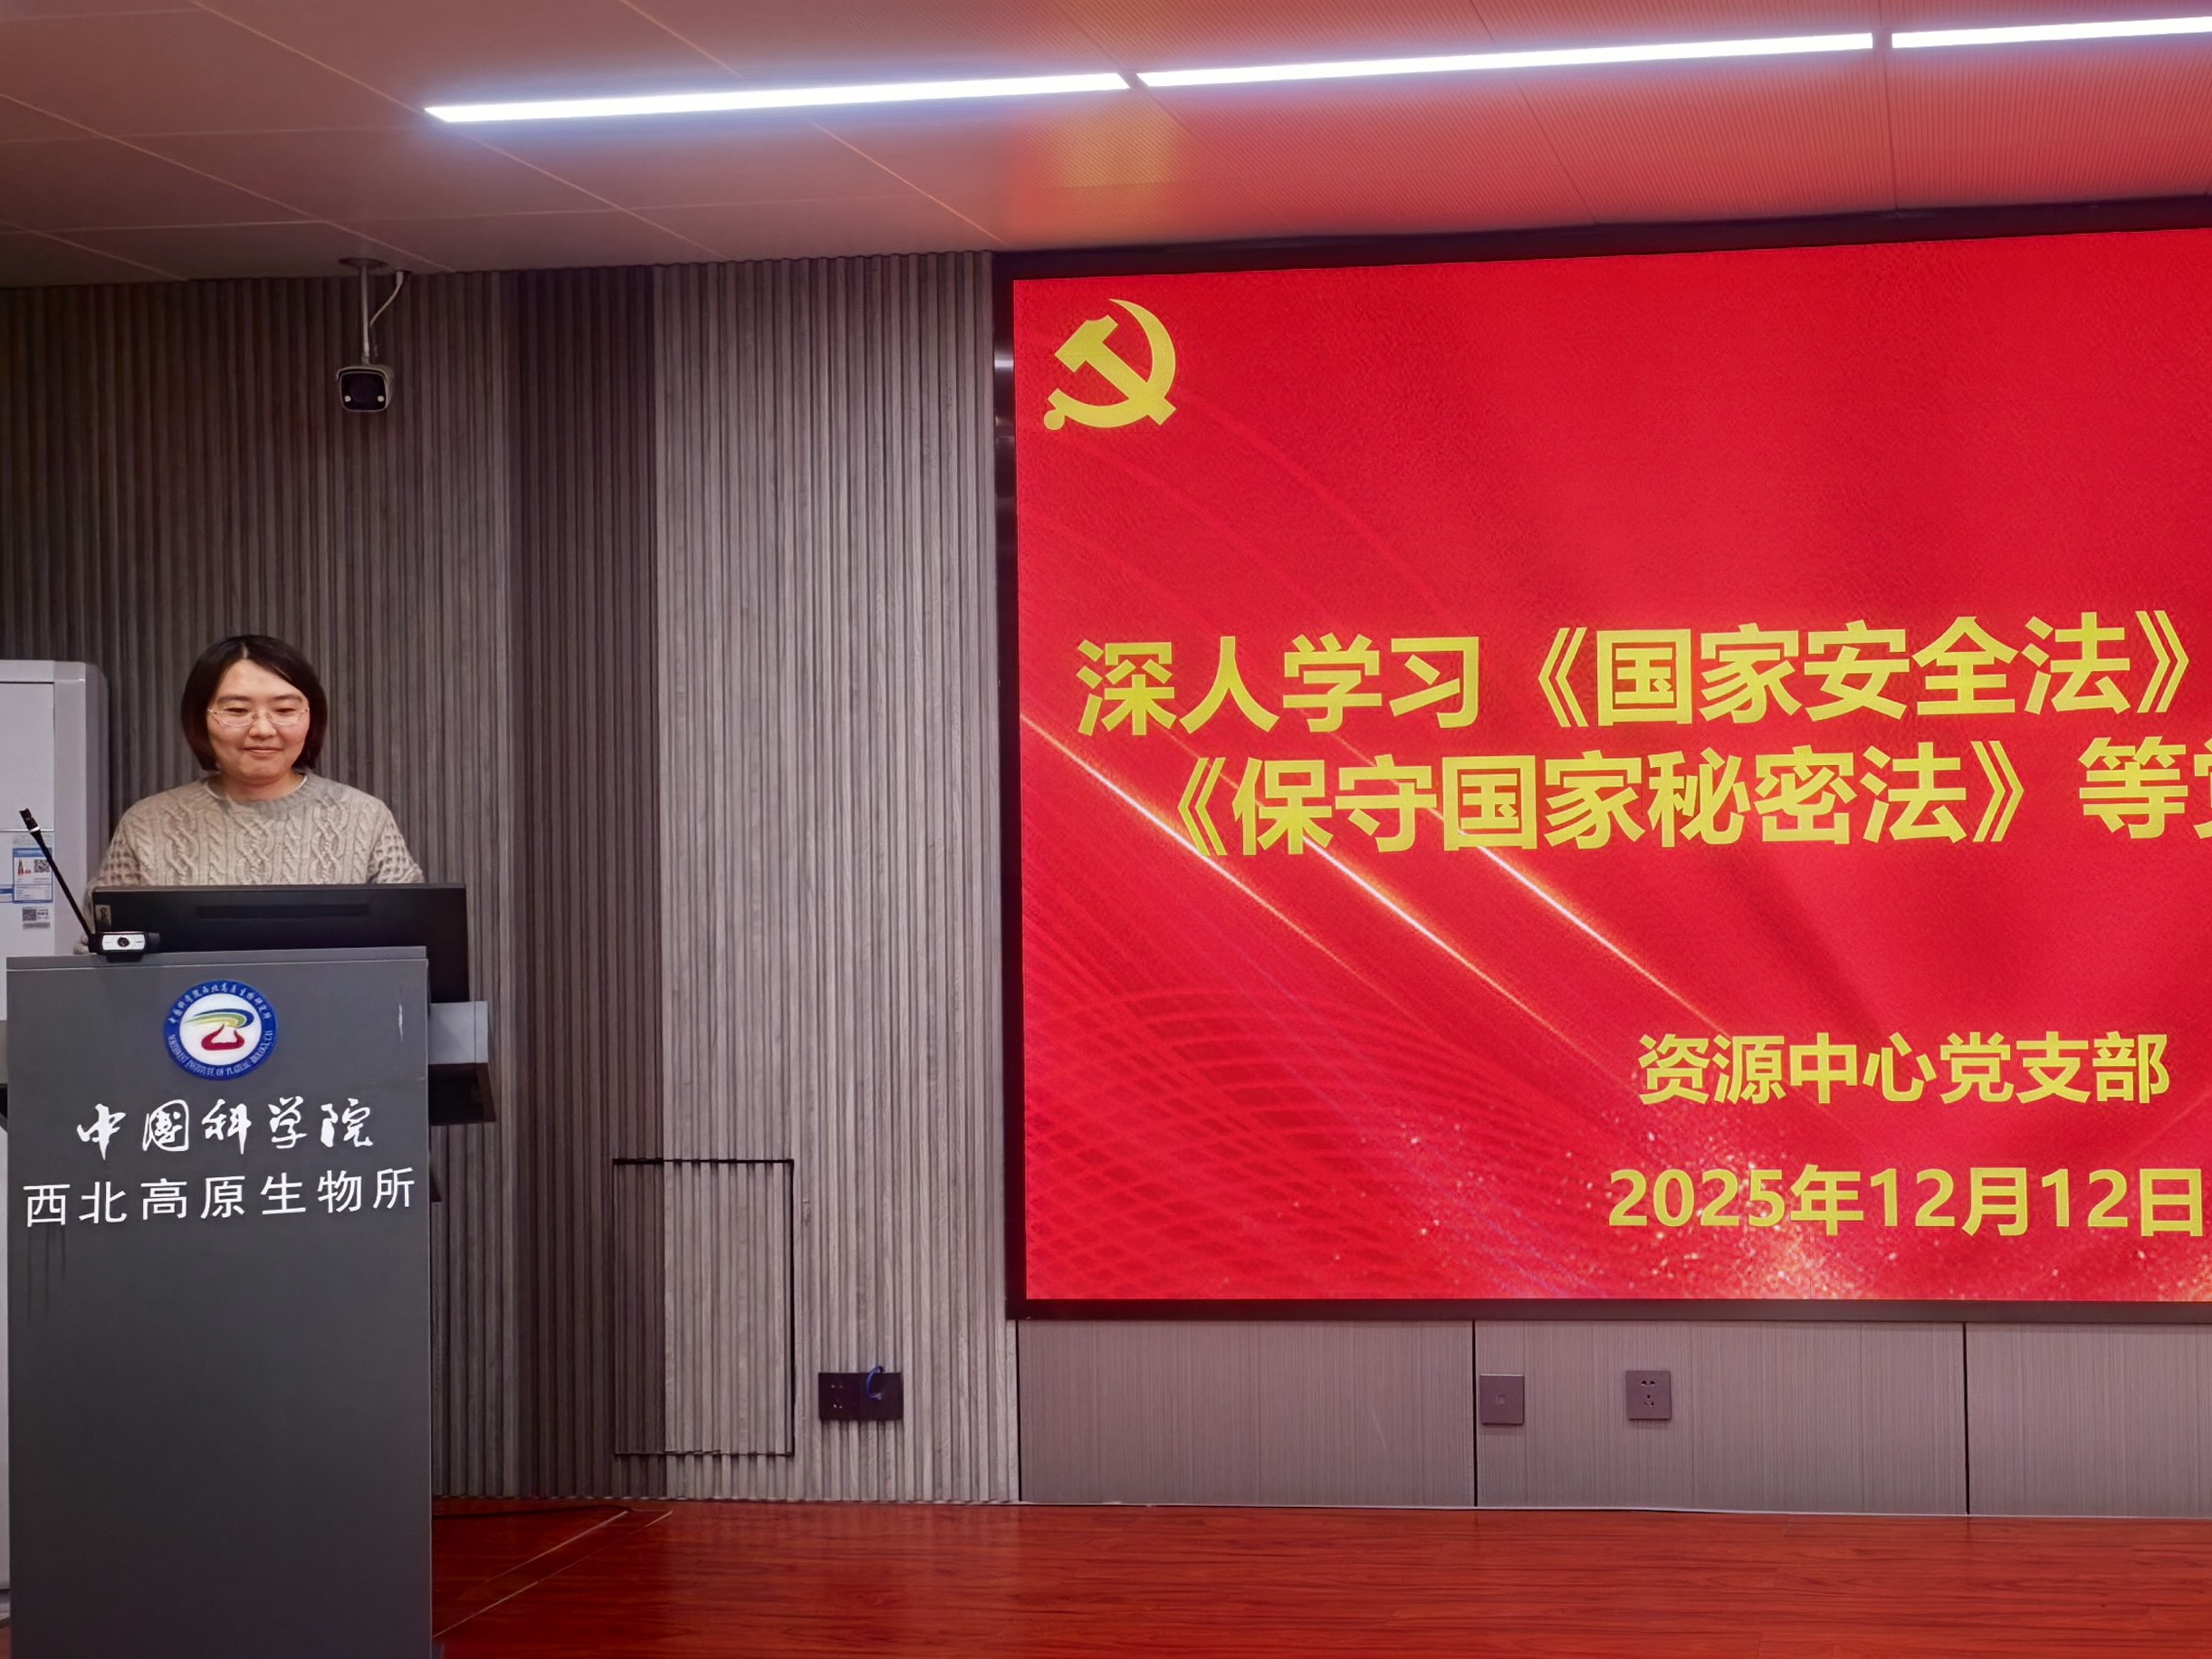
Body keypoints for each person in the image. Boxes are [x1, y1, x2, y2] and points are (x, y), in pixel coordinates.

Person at [94, 634, 422, 887]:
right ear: (199, 720)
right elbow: (100, 944)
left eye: (284, 710)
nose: (263, 729)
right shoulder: (148, 823)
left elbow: (413, 940)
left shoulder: (364, 818)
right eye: (237, 710)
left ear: (312, 717)